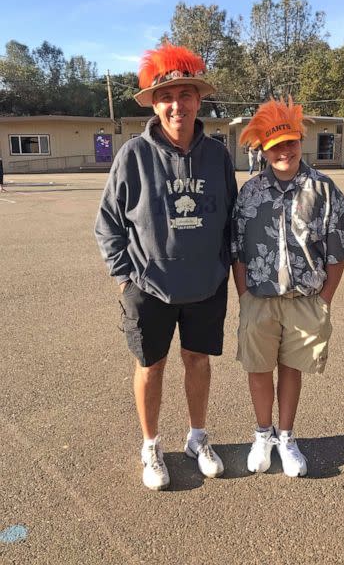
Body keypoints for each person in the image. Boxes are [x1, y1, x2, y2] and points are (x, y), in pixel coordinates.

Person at [95, 44, 237, 490]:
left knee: (197, 361)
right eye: (166, 96)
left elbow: (232, 219)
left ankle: (197, 438)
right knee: (150, 366)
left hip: (205, 284)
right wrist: (124, 277)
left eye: (185, 94)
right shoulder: (133, 155)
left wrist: (227, 270)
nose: (177, 104)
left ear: (198, 99)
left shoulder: (217, 156)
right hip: (148, 286)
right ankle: (151, 445)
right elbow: (108, 224)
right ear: (155, 104)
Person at [231, 97, 344, 478]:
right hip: (259, 299)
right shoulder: (251, 192)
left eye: (289, 142)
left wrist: (325, 300)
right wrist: (243, 295)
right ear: (264, 149)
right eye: (274, 146)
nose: (283, 151)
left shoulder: (323, 189)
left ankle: (286, 437)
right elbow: (236, 248)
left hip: (306, 300)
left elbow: (339, 250)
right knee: (258, 368)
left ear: (299, 141)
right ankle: (262, 434)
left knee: (291, 368)